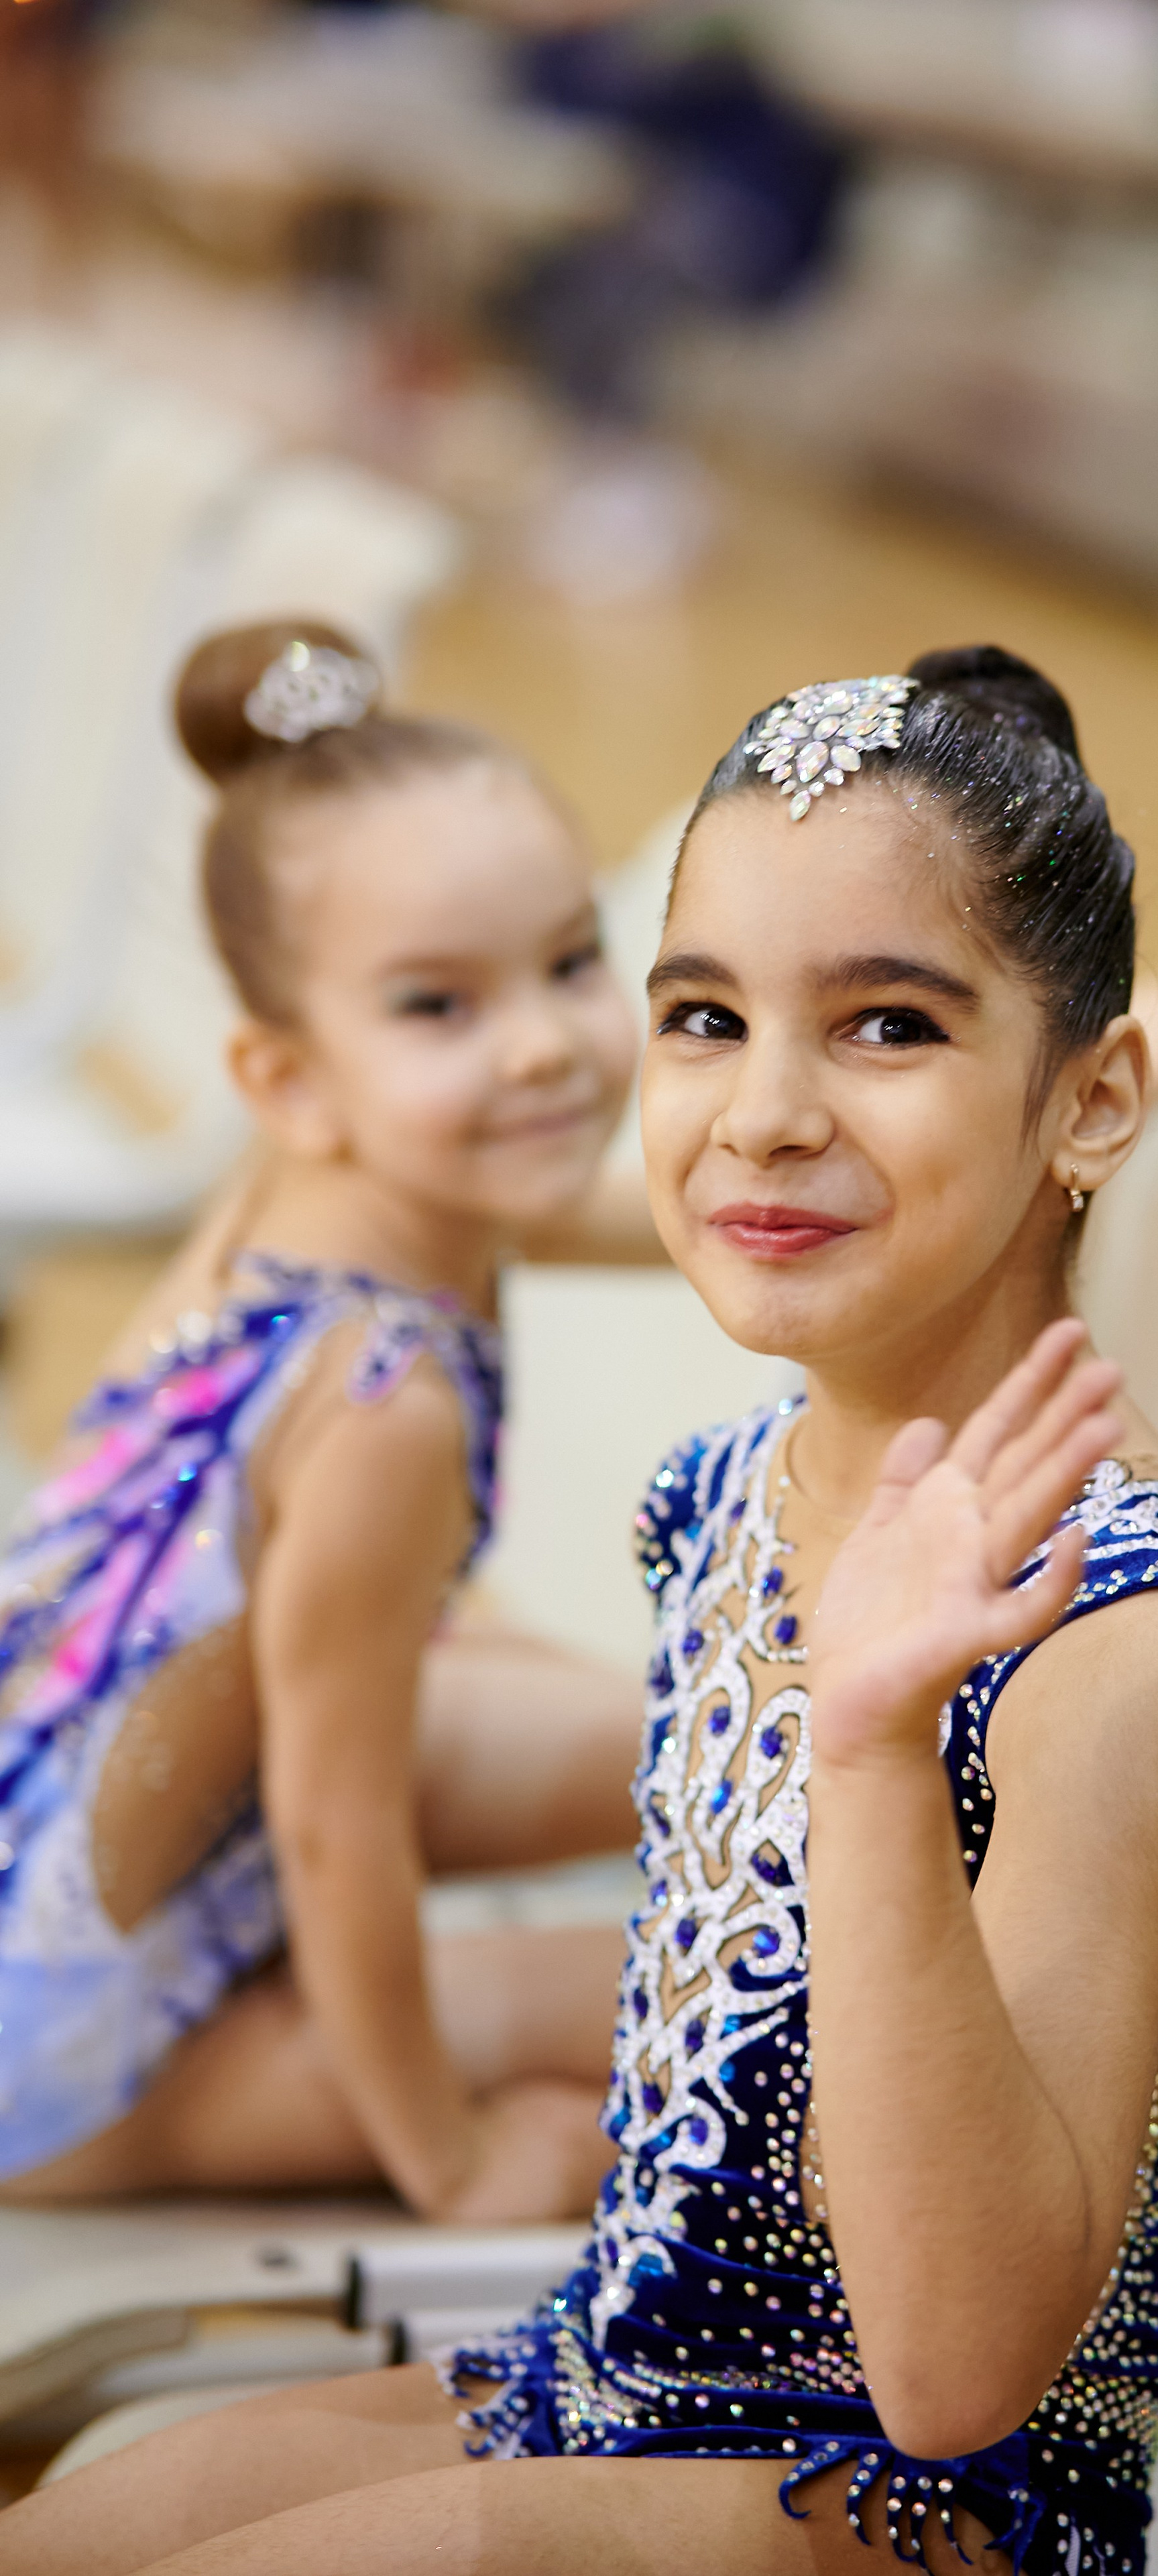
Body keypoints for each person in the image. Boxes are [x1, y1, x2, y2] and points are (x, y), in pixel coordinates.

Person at [0, 646, 1158, 2576]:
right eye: (702, 1015)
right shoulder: (738, 1484)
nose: (762, 1113)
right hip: (624, 2375)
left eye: (886, 1027)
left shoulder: (1111, 1640)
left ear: (1092, 1101)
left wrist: (864, 1738)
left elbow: (953, 2380)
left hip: (910, 2509)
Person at [0, 619, 654, 2226]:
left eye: (572, 963)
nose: (540, 1046)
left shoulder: (339, 1186)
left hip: (111, 1853)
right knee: (698, 1995)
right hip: (66, 2054)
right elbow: (334, 1825)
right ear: (287, 1075)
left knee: (704, 1756)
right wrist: (451, 2156)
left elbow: (627, 1219)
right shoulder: (383, 1409)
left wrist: (992, 1163)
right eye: (439, 1004)